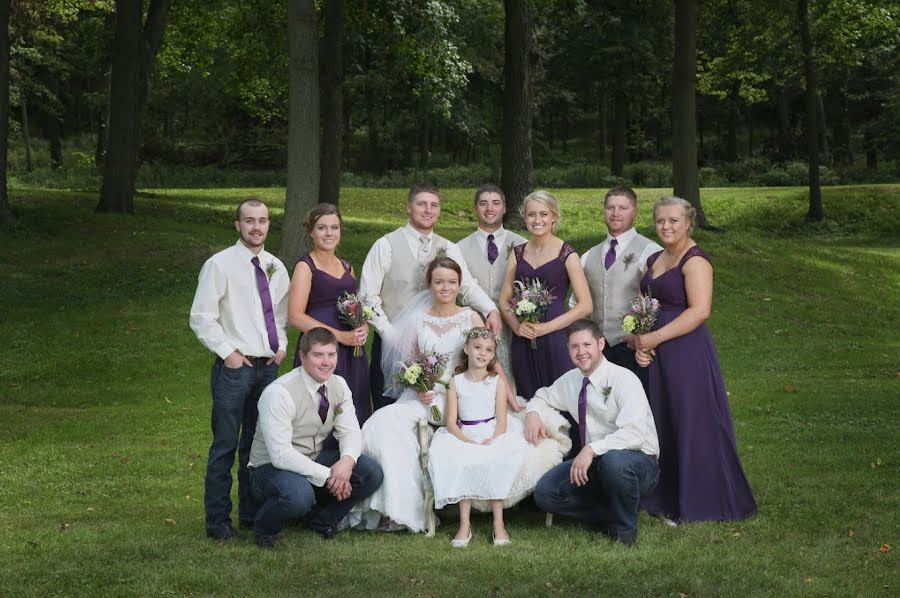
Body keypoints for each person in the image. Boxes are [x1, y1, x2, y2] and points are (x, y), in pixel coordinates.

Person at [634, 196, 757, 523]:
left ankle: (700, 501)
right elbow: (645, 305)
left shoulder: (695, 261)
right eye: (660, 221)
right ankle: (666, 495)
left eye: (674, 220)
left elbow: (700, 311)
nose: (666, 226)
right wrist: (641, 344)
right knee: (664, 420)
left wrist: (654, 338)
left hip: (686, 351)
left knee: (691, 422)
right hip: (658, 353)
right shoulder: (656, 258)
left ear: (689, 223)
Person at [189, 197, 289, 541]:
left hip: (267, 368)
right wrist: (228, 353)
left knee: (257, 445)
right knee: (226, 445)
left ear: (268, 225)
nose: (256, 227)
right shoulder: (219, 265)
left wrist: (282, 349)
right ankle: (218, 522)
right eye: (249, 220)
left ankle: (251, 512)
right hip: (235, 369)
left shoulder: (277, 266)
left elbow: (279, 315)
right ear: (237, 225)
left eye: (262, 220)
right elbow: (201, 317)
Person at [358, 184, 502, 411]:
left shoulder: (449, 247)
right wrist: (392, 336)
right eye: (421, 204)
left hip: (434, 345)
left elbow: (467, 286)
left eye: (434, 205)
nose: (428, 210)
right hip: (391, 343)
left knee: (435, 410)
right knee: (392, 409)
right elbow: (367, 297)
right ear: (408, 207)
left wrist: (491, 310)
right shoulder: (386, 245)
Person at [528, 319, 660, 547]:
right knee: (546, 493)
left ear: (600, 344)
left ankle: (624, 532)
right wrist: (532, 414)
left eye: (587, 345)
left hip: (638, 461)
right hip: (595, 462)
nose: (581, 352)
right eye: (574, 347)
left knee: (614, 462)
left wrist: (591, 448)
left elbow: (635, 434)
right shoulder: (571, 380)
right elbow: (542, 396)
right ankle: (613, 512)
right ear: (568, 350)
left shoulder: (624, 379)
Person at [247, 327, 384, 548]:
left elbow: (349, 431)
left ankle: (320, 521)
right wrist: (330, 475)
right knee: (299, 495)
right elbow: (280, 455)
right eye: (318, 355)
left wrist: (347, 464)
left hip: (313, 457)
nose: (326, 362)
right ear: (302, 356)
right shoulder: (279, 393)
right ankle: (264, 528)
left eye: (331, 355)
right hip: (269, 468)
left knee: (371, 473)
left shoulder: (339, 384)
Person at [499, 190, 592, 449]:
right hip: (524, 338)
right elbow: (505, 299)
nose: (537, 219)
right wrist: (517, 327)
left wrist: (547, 327)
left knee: (563, 399)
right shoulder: (517, 253)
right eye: (531, 214)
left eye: (543, 214)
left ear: (554, 218)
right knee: (530, 400)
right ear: (524, 218)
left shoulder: (567, 254)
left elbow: (585, 305)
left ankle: (572, 459)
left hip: (556, 338)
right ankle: (536, 463)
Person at [427, 328, 527, 547]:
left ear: (493, 355)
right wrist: (465, 441)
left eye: (488, 350)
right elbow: (451, 422)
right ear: (466, 349)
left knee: (495, 459)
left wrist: (493, 438)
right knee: (463, 460)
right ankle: (465, 525)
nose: (482, 353)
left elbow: (502, 420)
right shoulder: (456, 382)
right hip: (463, 434)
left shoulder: (497, 382)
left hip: (492, 432)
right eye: (477, 348)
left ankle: (498, 524)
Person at [288, 204, 371, 426]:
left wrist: (362, 325)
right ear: (311, 232)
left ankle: (352, 455)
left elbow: (354, 305)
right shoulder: (305, 267)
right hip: (321, 347)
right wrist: (339, 337)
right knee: (321, 408)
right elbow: (295, 316)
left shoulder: (347, 267)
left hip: (351, 352)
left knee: (354, 403)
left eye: (334, 227)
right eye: (322, 228)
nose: (329, 233)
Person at [575, 186, 662, 390]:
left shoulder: (651, 251)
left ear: (635, 211)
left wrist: (642, 337)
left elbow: (659, 301)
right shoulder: (588, 256)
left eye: (622, 208)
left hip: (633, 348)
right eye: (610, 208)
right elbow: (576, 303)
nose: (615, 213)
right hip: (597, 350)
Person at [456, 184, 527, 398]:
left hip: (514, 329)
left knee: (513, 381)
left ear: (504, 208)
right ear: (476, 208)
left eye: (496, 203)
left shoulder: (522, 244)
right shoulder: (458, 248)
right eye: (483, 203)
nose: (489, 208)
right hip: (473, 328)